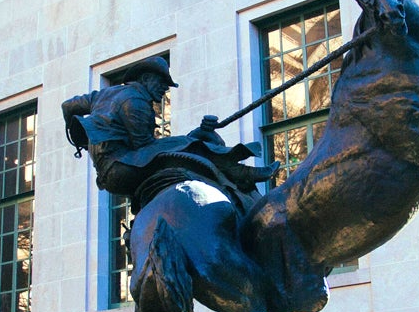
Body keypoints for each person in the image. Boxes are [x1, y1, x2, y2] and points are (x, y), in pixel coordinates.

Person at [62, 55, 275, 213]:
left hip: (112, 169)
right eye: (162, 83)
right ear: (145, 79)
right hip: (124, 167)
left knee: (187, 143)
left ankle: (239, 171)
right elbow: (144, 145)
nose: (164, 90)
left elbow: (68, 105)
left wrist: (80, 141)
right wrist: (192, 139)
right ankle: (243, 174)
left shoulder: (103, 94)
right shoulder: (136, 101)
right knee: (186, 144)